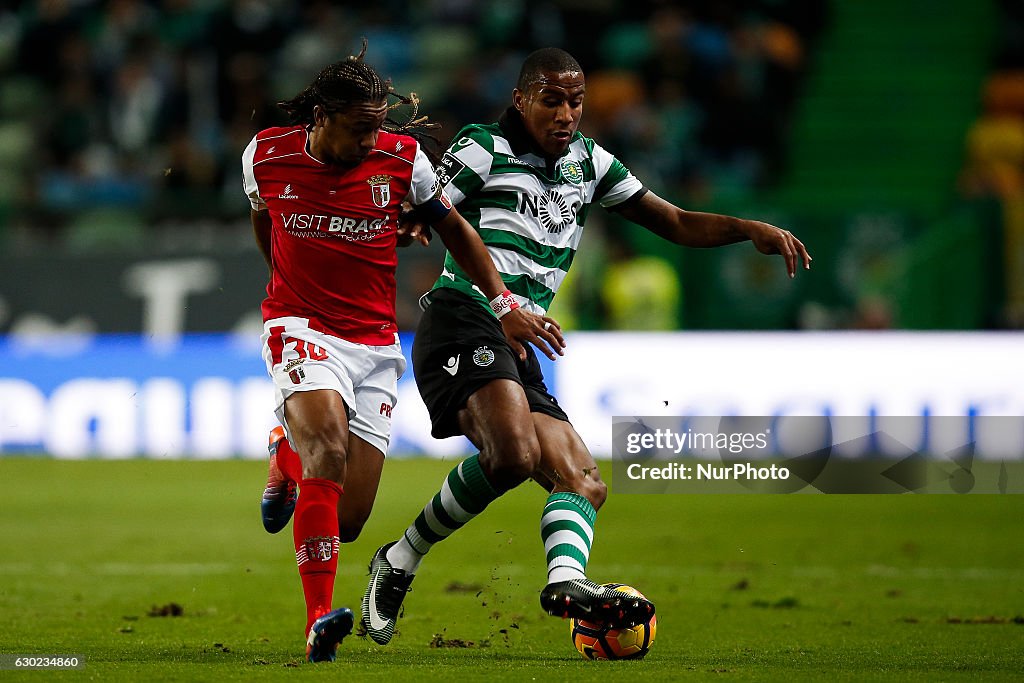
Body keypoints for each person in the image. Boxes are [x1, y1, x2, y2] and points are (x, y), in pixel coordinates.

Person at [359, 47, 812, 646]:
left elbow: (672, 222)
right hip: (465, 318)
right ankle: (400, 562)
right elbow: (435, 208)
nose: (566, 112)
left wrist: (744, 228)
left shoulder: (591, 163)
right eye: (552, 99)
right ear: (521, 99)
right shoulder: (483, 147)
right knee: (515, 455)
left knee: (584, 481)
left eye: (576, 100)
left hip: (521, 341)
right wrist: (417, 223)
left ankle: (561, 581)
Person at [241, 45, 563, 663]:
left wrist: (504, 306)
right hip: (301, 324)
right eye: (360, 127)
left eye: (378, 125)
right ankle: (317, 622)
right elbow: (266, 218)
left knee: (349, 520)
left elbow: (457, 230)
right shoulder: (267, 155)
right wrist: (282, 283)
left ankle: (286, 456)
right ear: (322, 116)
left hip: (376, 343)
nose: (372, 138)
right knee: (328, 450)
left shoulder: (403, 160)